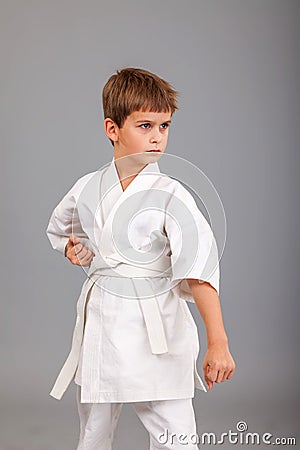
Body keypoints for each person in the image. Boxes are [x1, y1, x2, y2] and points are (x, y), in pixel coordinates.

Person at [46, 67, 235, 450]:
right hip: (102, 325)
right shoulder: (88, 186)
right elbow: (64, 229)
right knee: (94, 433)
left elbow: (199, 270)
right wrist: (73, 249)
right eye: (145, 125)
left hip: (156, 328)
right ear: (112, 129)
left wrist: (219, 341)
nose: (157, 137)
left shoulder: (171, 194)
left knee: (176, 438)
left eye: (164, 126)